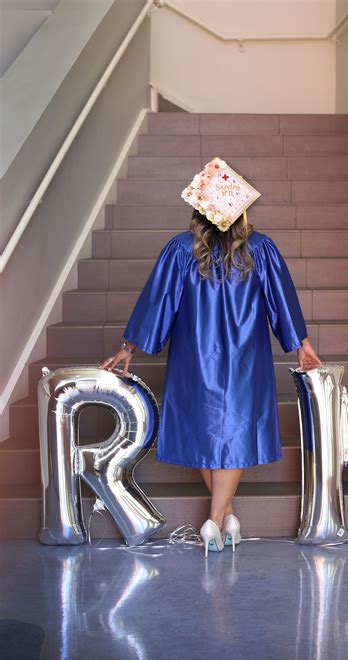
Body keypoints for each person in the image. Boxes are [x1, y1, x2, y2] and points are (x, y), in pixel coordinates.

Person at [100, 157, 322, 557]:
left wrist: (128, 347)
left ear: (198, 210)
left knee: (206, 435)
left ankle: (219, 520)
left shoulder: (181, 249)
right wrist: (300, 344)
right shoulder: (261, 250)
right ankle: (219, 520)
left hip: (195, 357)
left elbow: (157, 304)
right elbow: (283, 304)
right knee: (230, 436)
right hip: (244, 359)